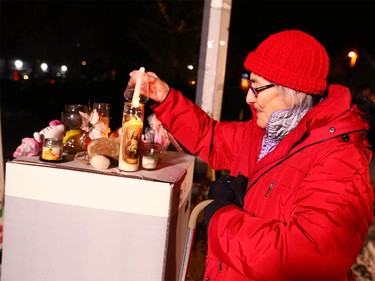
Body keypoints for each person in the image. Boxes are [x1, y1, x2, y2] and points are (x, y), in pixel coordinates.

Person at [129, 29, 375, 280]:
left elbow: (309, 259)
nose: (248, 97)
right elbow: (210, 137)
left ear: (292, 89)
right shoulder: (262, 133)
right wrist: (166, 98)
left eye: (256, 87)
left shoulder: (340, 159)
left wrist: (223, 217)